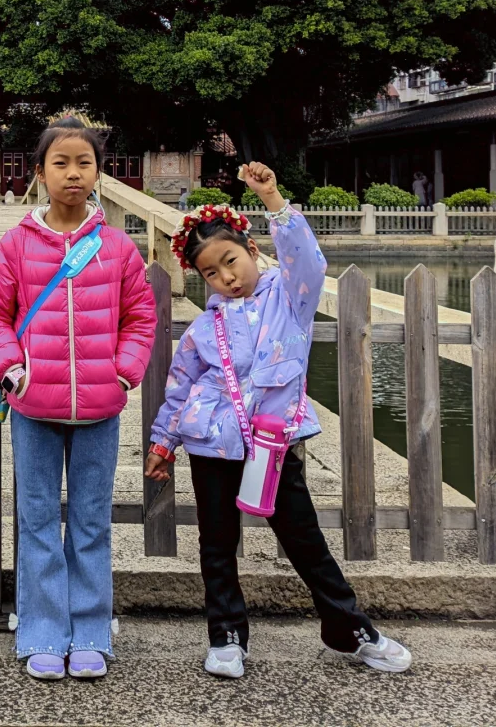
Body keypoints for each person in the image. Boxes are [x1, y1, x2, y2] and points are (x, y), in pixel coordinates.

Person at [145, 162, 413, 679]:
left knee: (304, 539)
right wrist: (163, 442)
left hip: (272, 444)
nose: (227, 277)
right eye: (212, 273)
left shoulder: (290, 299)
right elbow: (180, 388)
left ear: (251, 249)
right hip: (210, 442)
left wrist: (273, 200)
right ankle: (226, 635)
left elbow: (308, 261)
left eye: (231, 261)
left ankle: (348, 627)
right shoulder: (203, 328)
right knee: (216, 543)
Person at [0, 118, 156, 681]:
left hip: (100, 406)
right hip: (33, 407)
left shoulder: (117, 247)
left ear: (99, 172)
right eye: (61, 163)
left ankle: (92, 629)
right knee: (36, 520)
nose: (73, 173)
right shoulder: (17, 245)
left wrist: (124, 373)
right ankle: (42, 629)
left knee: (91, 522)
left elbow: (140, 317)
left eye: (84, 163)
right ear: (40, 172)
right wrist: (12, 370)